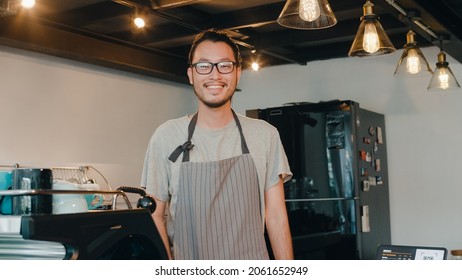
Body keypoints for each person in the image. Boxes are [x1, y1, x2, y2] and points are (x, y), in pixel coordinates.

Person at [141, 28, 293, 260]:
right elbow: (155, 215)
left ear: (237, 73)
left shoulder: (265, 135)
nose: (215, 75)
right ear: (191, 74)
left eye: (224, 65)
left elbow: (276, 215)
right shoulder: (166, 136)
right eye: (204, 66)